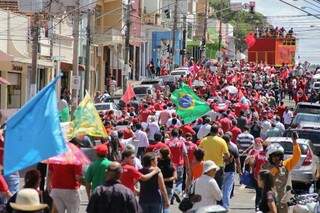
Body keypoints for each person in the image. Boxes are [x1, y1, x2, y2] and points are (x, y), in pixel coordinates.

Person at [262, 132, 301, 213]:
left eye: (279, 156)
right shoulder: (265, 167)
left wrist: (294, 143)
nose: (277, 158)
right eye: (274, 156)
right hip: (271, 200)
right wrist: (277, 168)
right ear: (269, 157)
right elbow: (266, 177)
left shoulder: (285, 164)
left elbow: (296, 157)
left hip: (283, 201)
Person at [199, 124, 229, 189]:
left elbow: (199, 152)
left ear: (210, 131)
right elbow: (227, 155)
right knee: (218, 187)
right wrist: (223, 159)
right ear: (217, 131)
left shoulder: (204, 140)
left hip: (206, 167)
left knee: (206, 187)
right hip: (218, 167)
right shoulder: (222, 141)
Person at [222, 133, 240, 210]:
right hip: (230, 170)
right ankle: (225, 206)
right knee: (227, 189)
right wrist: (239, 170)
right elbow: (237, 161)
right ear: (230, 140)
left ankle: (219, 205)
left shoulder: (220, 148)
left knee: (220, 188)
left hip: (221, 170)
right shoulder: (233, 148)